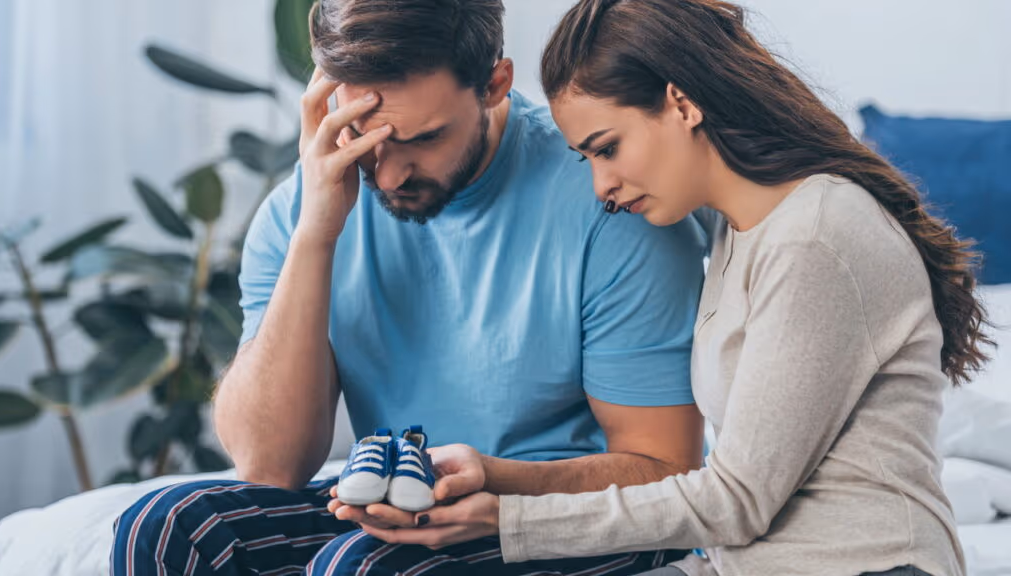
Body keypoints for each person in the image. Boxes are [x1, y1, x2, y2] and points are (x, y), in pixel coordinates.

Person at [349, 1, 993, 575]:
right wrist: (492, 478)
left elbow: (735, 502)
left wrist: (506, 519)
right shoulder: (737, 235)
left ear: (681, 103)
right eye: (585, 159)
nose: (599, 186)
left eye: (607, 148)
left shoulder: (816, 238)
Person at [109, 0, 709, 574]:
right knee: (164, 527)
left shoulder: (610, 199)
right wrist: (317, 231)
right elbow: (270, 465)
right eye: (367, 141)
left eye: (423, 139)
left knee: (363, 568)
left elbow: (664, 469)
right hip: (397, 510)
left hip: (557, 513)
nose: (389, 174)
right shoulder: (305, 207)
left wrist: (495, 483)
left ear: (495, 84)